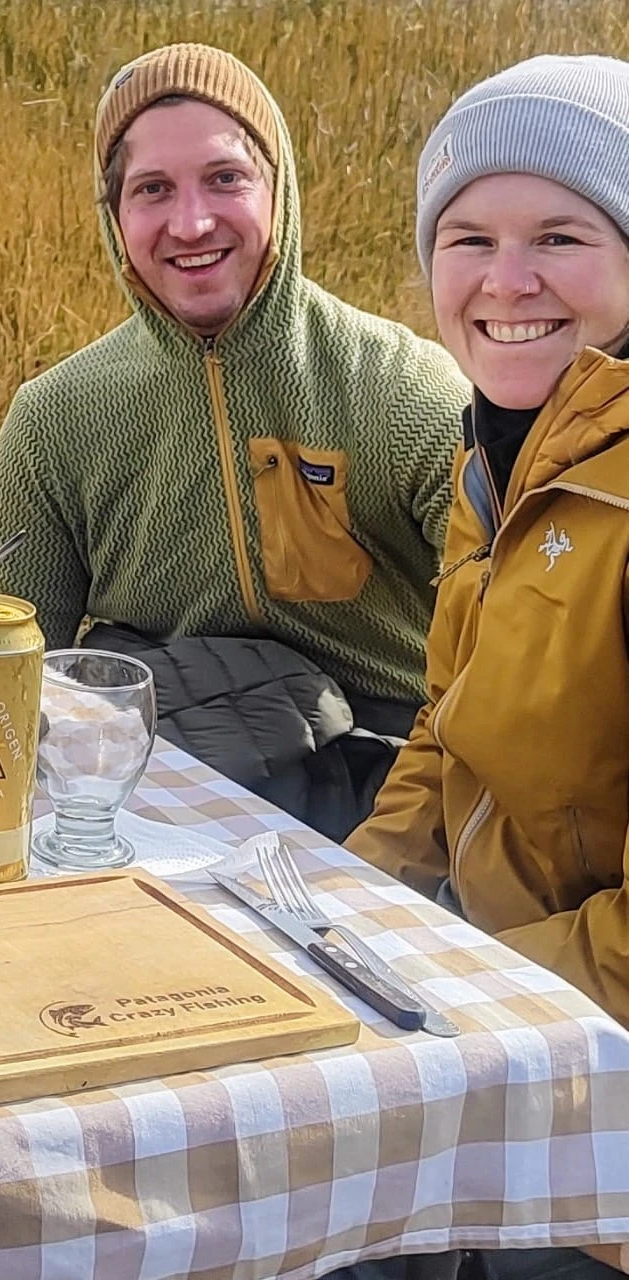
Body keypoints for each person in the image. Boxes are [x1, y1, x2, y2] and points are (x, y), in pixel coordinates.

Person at [0, 42, 470, 839]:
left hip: (383, 794)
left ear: (280, 190)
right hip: (138, 790)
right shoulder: (56, 417)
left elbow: (509, 669)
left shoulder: (407, 393)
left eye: (226, 178)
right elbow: (0, 673)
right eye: (152, 189)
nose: (191, 223)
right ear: (113, 215)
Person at [343, 53, 629, 1280]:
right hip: (506, 997)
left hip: (585, 1076)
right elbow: (442, 728)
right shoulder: (502, 451)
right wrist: (338, 914)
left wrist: (446, 992)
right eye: (470, 239)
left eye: (560, 235)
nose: (507, 282)